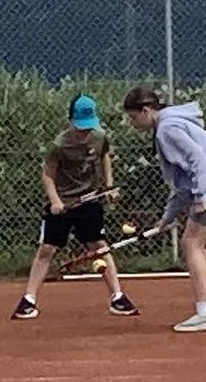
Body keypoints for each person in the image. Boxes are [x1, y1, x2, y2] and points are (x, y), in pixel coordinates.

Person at [121, 86, 206, 333]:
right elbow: (180, 183)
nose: (132, 123)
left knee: (191, 244)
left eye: (133, 117)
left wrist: (200, 196)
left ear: (146, 111)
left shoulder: (167, 129)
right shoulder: (169, 124)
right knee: (197, 243)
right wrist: (167, 218)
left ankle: (205, 312)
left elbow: (197, 160)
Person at [15, 94, 138, 320]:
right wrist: (55, 201)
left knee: (99, 246)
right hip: (62, 202)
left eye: (88, 127)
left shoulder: (99, 138)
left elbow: (105, 156)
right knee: (47, 249)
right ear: (71, 121)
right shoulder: (59, 146)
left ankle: (117, 297)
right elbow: (47, 175)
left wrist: (109, 187)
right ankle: (28, 300)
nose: (84, 133)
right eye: (81, 127)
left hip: (89, 201)